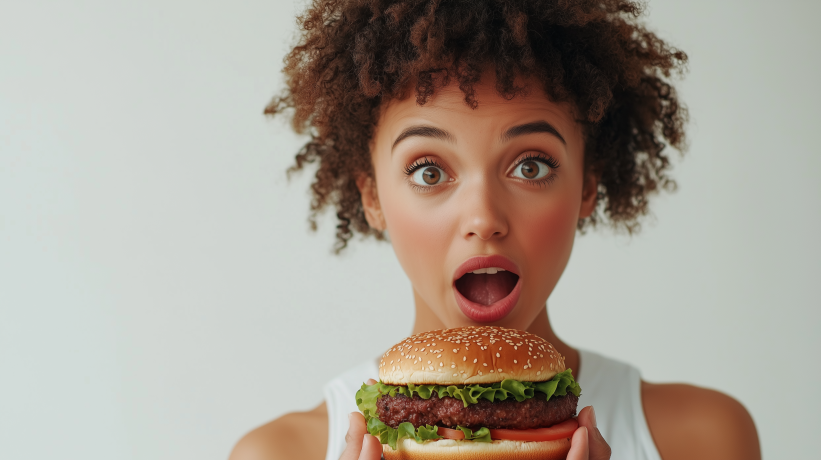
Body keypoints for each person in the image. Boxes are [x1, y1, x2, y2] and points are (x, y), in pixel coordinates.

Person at [230, 1, 761, 459]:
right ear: (372, 196)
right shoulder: (278, 452)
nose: (483, 217)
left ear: (586, 186)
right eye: (429, 172)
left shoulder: (703, 437)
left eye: (530, 166)